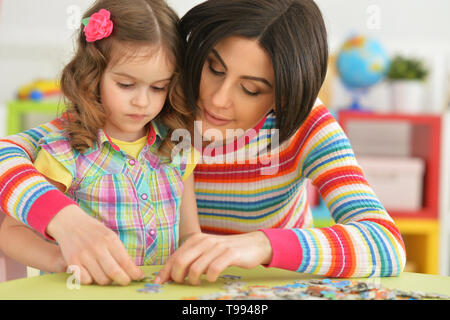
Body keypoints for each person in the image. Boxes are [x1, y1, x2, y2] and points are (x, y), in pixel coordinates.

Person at [0, 0, 405, 286]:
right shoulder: (155, 103)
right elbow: (9, 152)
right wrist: (66, 221)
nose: (216, 99)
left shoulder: (306, 125)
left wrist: (261, 245)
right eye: (213, 68)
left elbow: (385, 244)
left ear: (285, 95)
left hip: (256, 292)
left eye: (251, 89)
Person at [0, 0, 201, 285]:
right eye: (126, 85)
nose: (142, 102)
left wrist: (197, 251)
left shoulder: (176, 147)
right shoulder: (65, 150)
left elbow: (189, 233)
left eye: (158, 87)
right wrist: (61, 259)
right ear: (93, 75)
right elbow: (11, 232)